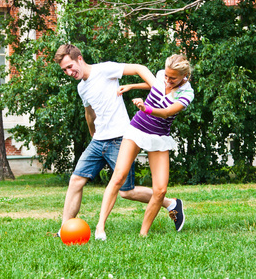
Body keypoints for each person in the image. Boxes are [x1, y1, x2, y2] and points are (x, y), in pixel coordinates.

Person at [54, 44, 184, 240]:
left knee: (126, 192)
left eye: (70, 66)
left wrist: (157, 89)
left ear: (79, 59)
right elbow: (89, 113)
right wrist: (92, 133)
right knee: (75, 180)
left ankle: (170, 203)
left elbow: (139, 68)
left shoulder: (104, 69)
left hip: (120, 138)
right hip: (98, 141)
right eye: (65, 70)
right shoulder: (82, 88)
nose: (69, 72)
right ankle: (64, 229)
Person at [95, 54, 194, 238]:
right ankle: (100, 227)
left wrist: (145, 107)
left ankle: (143, 234)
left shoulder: (187, 93)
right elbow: (154, 84)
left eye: (173, 78)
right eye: (166, 75)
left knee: (160, 189)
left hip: (159, 136)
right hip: (137, 129)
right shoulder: (161, 75)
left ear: (184, 75)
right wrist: (133, 86)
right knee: (118, 177)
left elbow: (166, 112)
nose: (167, 80)